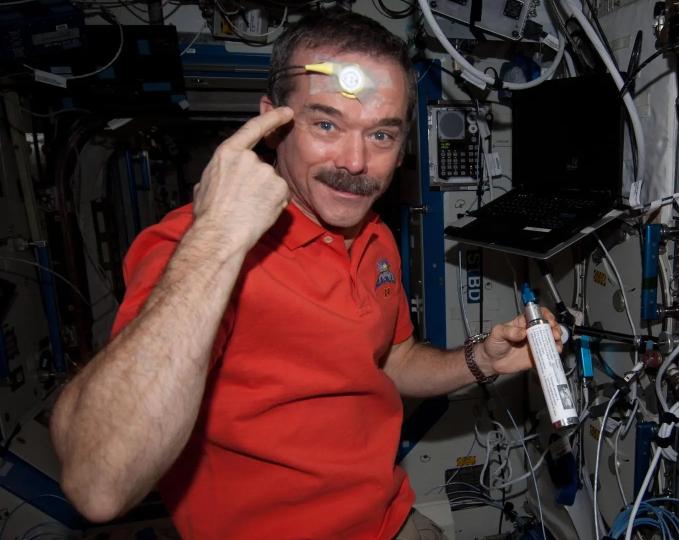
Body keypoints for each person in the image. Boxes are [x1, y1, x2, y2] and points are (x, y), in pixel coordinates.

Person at [49, 9, 560, 539]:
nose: (356, 162)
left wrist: (483, 359)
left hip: (390, 521)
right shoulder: (194, 248)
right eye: (326, 124)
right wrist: (218, 238)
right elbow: (99, 483)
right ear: (272, 123)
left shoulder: (372, 235)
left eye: (381, 135)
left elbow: (389, 359)